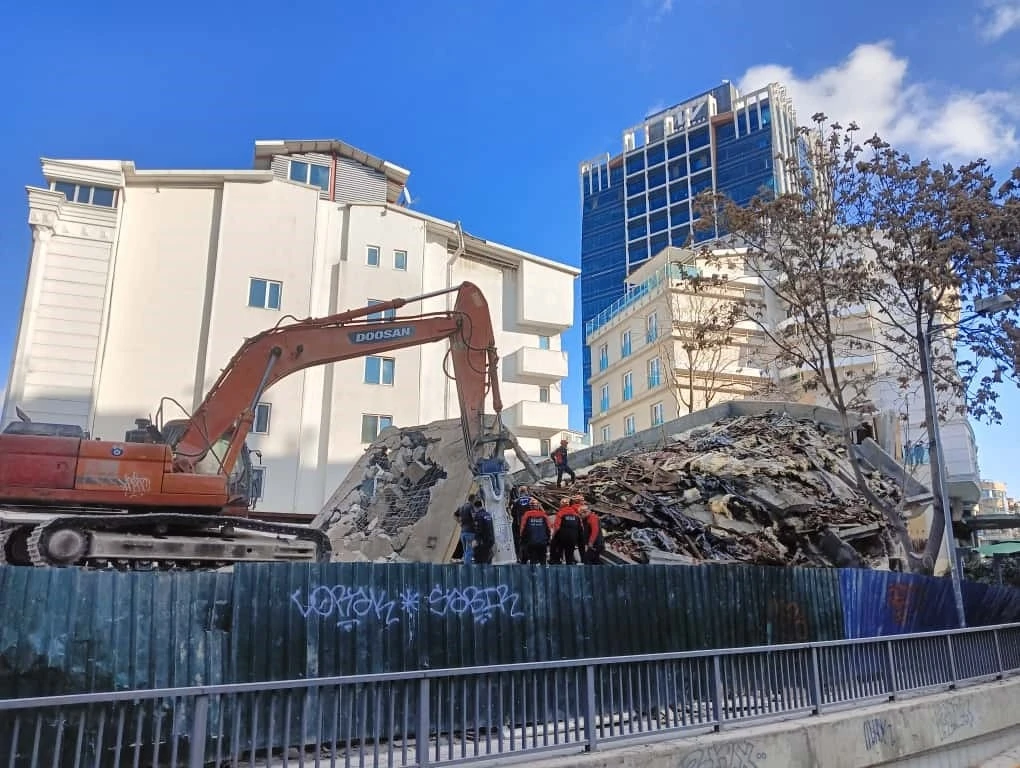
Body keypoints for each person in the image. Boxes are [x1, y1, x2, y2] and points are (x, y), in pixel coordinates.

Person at [552, 495, 584, 565]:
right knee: (569, 557)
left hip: (562, 539)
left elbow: (556, 527)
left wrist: (553, 537)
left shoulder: (560, 513)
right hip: (573, 538)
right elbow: (581, 527)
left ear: (561, 505)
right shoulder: (576, 514)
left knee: (557, 554)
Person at [519, 499, 551, 565]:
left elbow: (522, 528)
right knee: (543, 560)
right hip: (542, 542)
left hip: (531, 542)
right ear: (538, 506)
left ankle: (533, 574)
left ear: (530, 507)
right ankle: (543, 573)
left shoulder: (527, 515)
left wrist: (522, 539)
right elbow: (549, 528)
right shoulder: (544, 515)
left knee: (533, 560)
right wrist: (548, 539)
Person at [454, 493, 478, 565]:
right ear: (473, 500)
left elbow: (454, 515)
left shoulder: (462, 507)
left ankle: (464, 566)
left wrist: (460, 523)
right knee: (470, 551)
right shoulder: (471, 507)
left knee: (465, 552)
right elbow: (474, 517)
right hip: (470, 532)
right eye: (476, 499)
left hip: (463, 533)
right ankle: (467, 568)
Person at [510, 485, 532, 561]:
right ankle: (531, 556)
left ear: (519, 492)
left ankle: (520, 557)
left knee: (520, 541)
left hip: (520, 525)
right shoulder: (531, 500)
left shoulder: (516, 501)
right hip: (530, 524)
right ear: (526, 492)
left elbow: (513, 513)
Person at [472, 498, 495, 564]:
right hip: (491, 540)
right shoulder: (488, 514)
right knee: (488, 560)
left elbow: (478, 529)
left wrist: (476, 540)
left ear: (475, 507)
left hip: (483, 542)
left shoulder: (478, 515)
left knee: (480, 561)